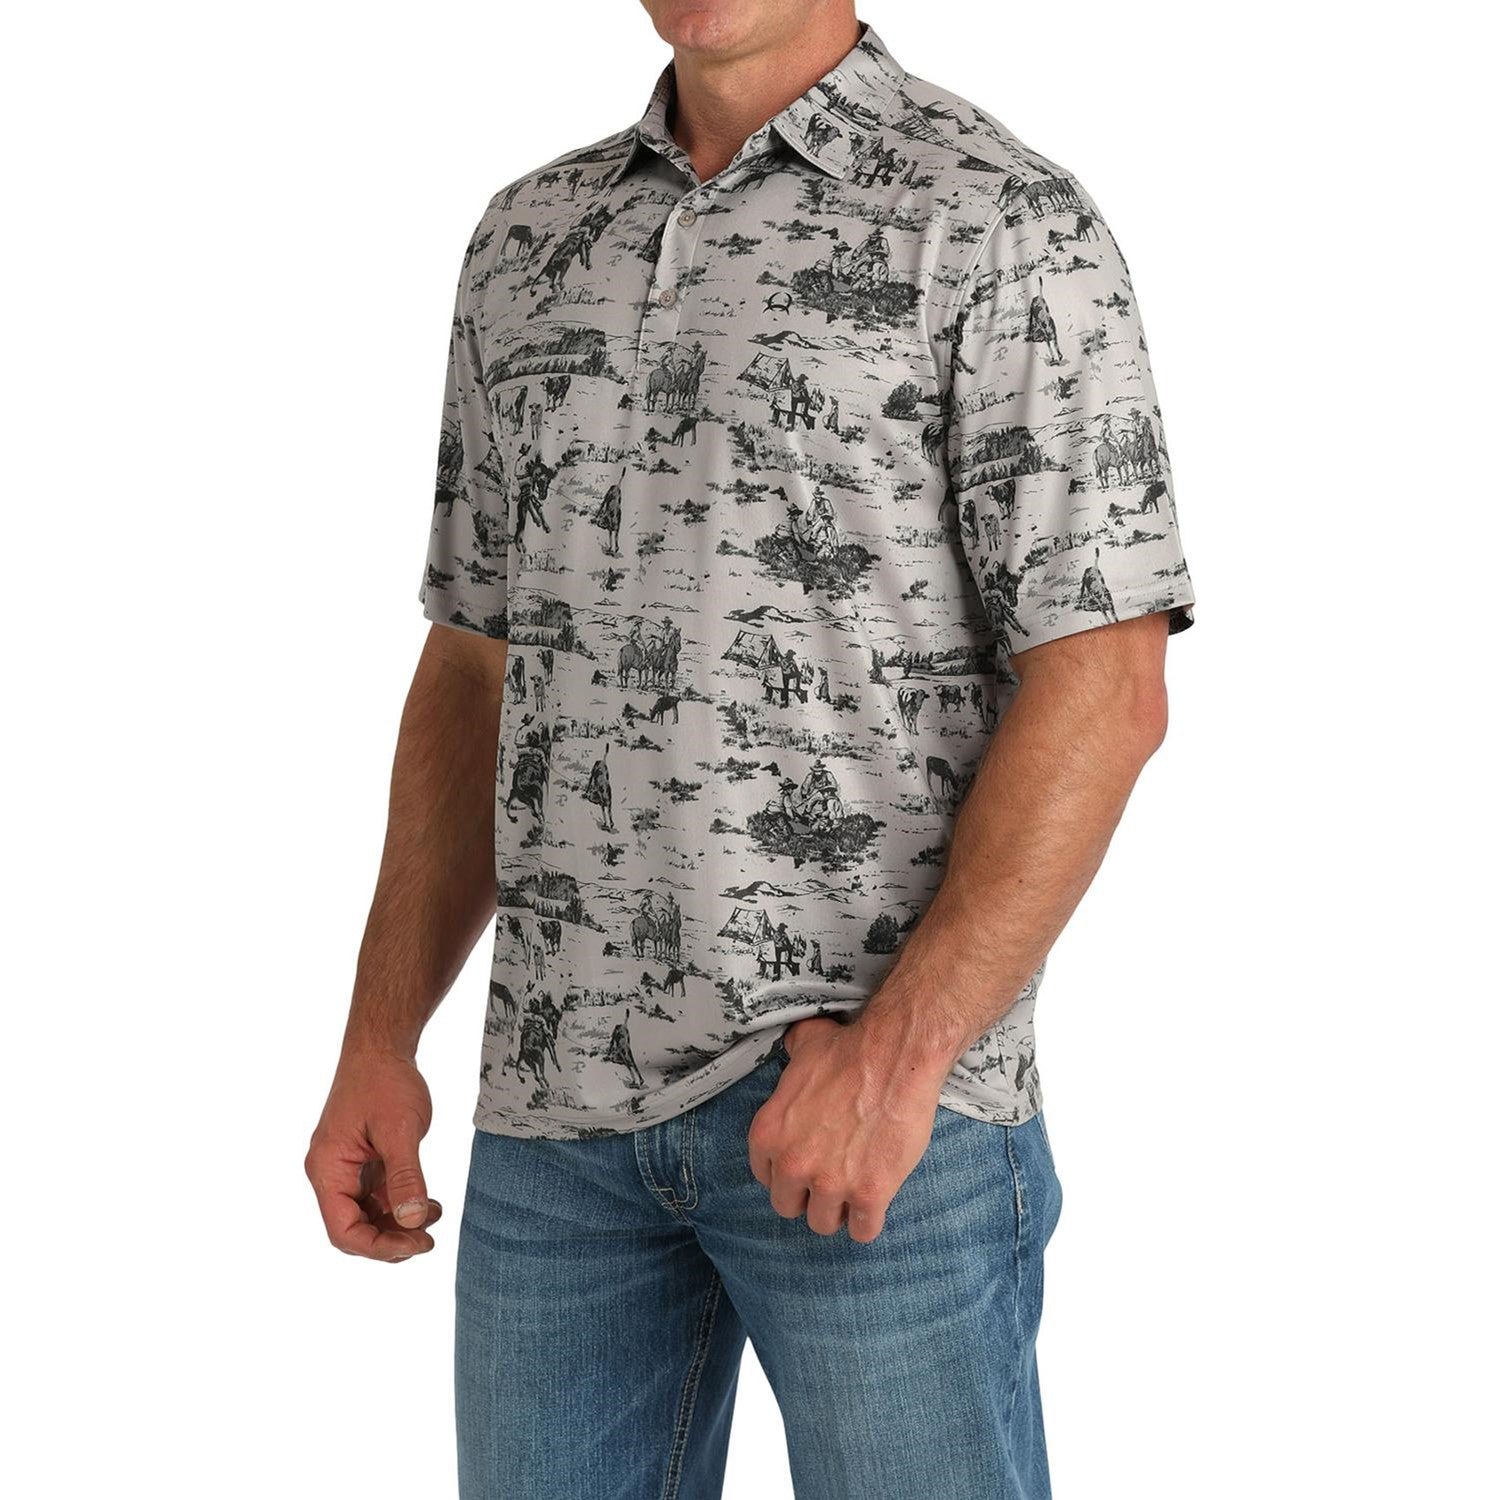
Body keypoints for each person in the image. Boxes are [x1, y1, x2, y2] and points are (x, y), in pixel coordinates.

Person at [304, 7, 1195, 1499]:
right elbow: (474, 665)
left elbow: (1105, 686)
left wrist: (897, 1065)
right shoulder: (531, 237)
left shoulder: (998, 221)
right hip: (556, 1127)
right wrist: (379, 1035)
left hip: (869, 1123)